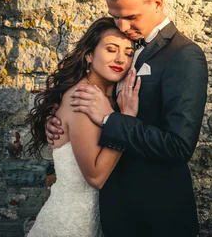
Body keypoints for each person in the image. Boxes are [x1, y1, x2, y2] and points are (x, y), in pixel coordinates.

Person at [45, 0, 209, 236]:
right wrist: (59, 121)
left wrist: (111, 119)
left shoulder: (184, 55)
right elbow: (91, 93)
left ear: (157, 2)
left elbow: (179, 146)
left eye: (131, 17)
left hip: (156, 214)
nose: (122, 26)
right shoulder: (122, 47)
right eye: (115, 16)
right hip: (113, 210)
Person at [25, 17, 140, 236]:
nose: (120, 59)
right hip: (71, 223)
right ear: (89, 55)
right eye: (111, 49)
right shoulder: (83, 98)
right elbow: (95, 177)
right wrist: (126, 120)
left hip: (99, 220)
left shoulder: (113, 98)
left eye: (128, 53)